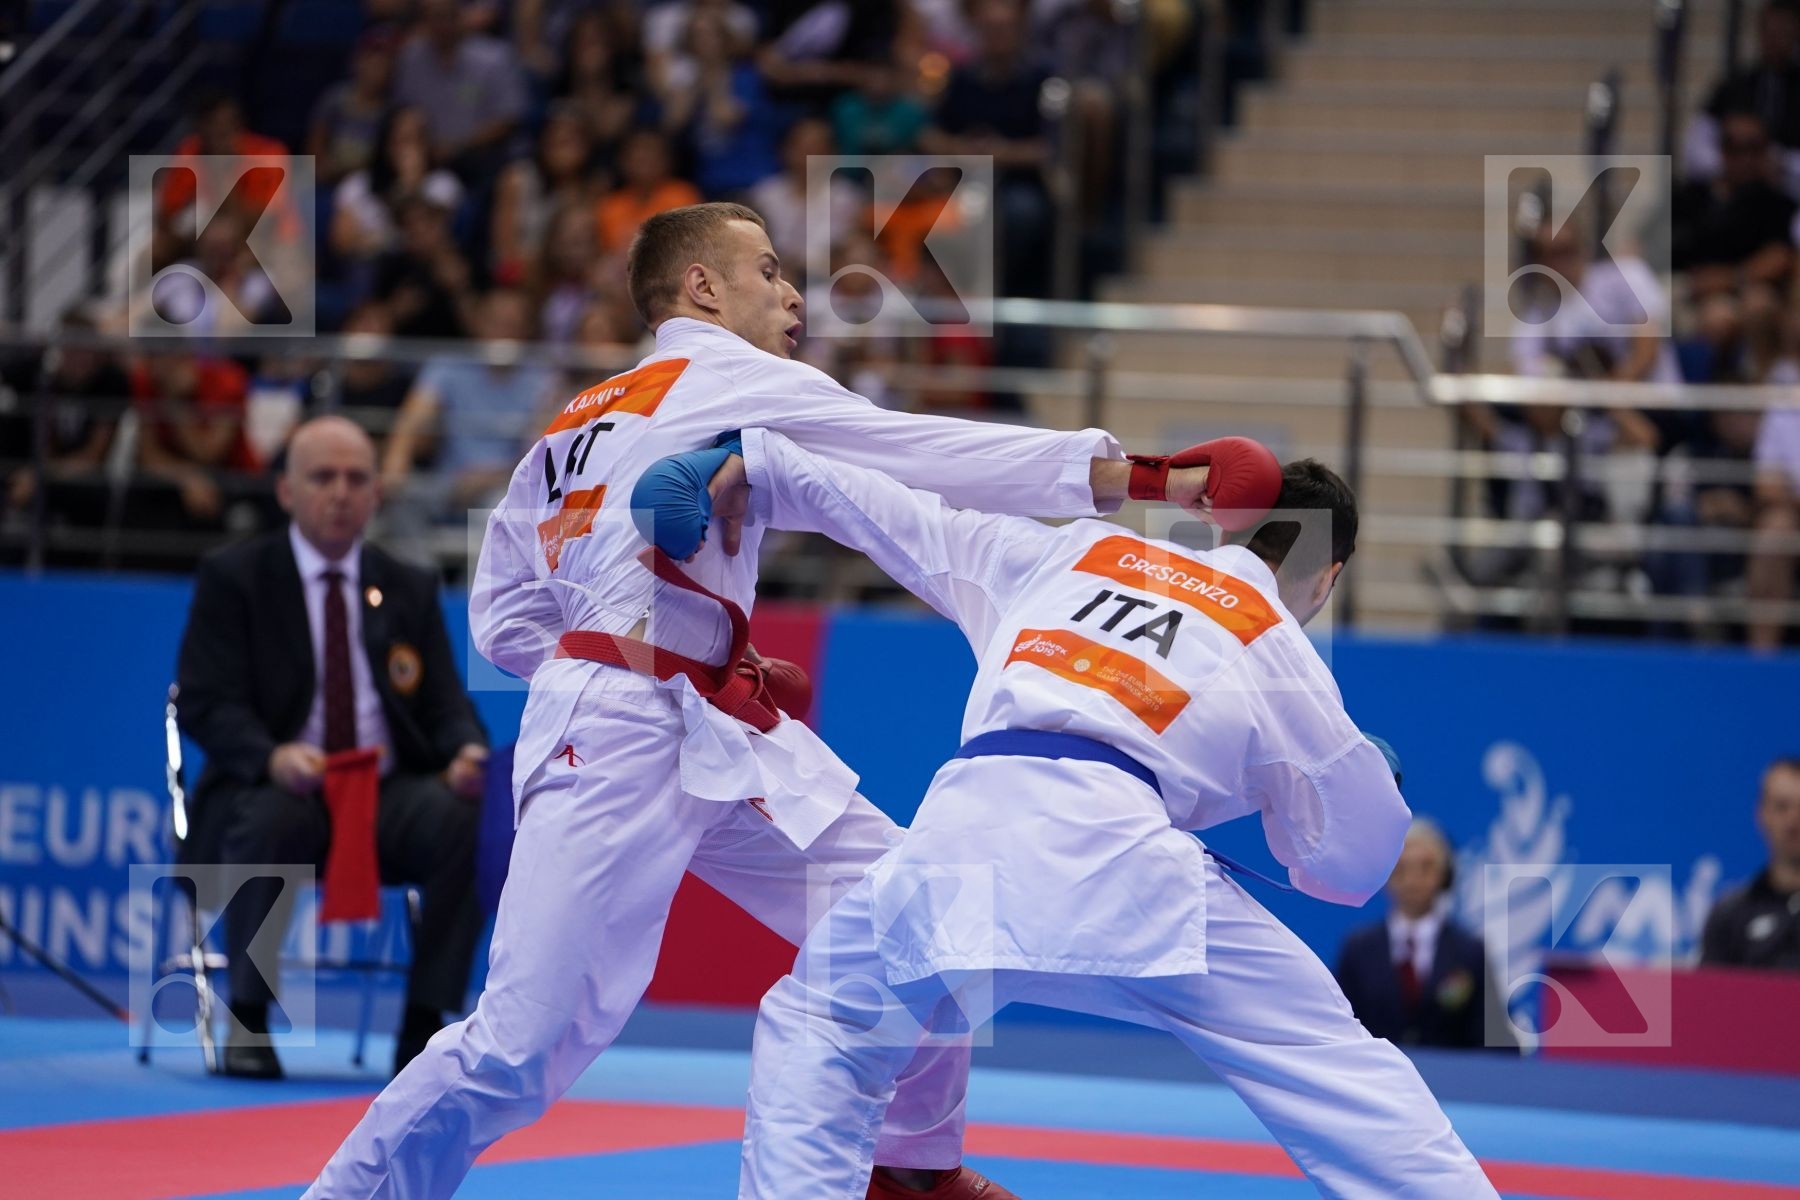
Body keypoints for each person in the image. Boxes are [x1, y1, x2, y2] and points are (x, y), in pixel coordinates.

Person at [303, 200, 1149, 1200]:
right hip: (620, 735)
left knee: (925, 914)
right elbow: (909, 447)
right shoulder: (728, 374)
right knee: (522, 1047)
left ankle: (911, 1171)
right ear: (702, 288)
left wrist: (617, 653)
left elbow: (500, 616)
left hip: (701, 722)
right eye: (770, 271)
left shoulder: (572, 421)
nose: (794, 295)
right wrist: (1118, 474)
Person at [709, 436, 1498, 1198]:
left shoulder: (1080, 551)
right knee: (1331, 1065)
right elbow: (1353, 865)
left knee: (821, 1022)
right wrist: (1324, 797)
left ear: (1231, 523)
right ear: (1327, 578)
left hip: (961, 839)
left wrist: (768, 463)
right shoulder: (1276, 641)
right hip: (1127, 870)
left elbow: (897, 515)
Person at [176, 416, 488, 1078]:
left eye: (356, 479)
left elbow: (444, 704)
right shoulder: (237, 577)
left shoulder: (407, 585)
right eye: (323, 478)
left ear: (376, 493)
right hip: (281, 787)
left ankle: (424, 1025)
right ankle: (248, 1018)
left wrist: (464, 752)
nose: (340, 493)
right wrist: (271, 757)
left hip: (384, 794)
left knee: (466, 819)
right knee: (273, 815)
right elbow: (206, 700)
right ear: (286, 491)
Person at [1335, 818, 1516, 1051]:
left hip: (1452, 1074)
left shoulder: (1468, 951)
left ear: (1445, 875)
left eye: (1426, 867)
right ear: (1385, 875)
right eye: (1401, 868)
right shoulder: (1359, 949)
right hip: (1375, 1072)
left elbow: (1495, 1040)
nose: (1413, 880)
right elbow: (1340, 1028)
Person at [1701, 758, 1800, 969]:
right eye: (1782, 807)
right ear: (1762, 815)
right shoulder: (1730, 915)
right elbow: (1708, 989)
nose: (1794, 820)